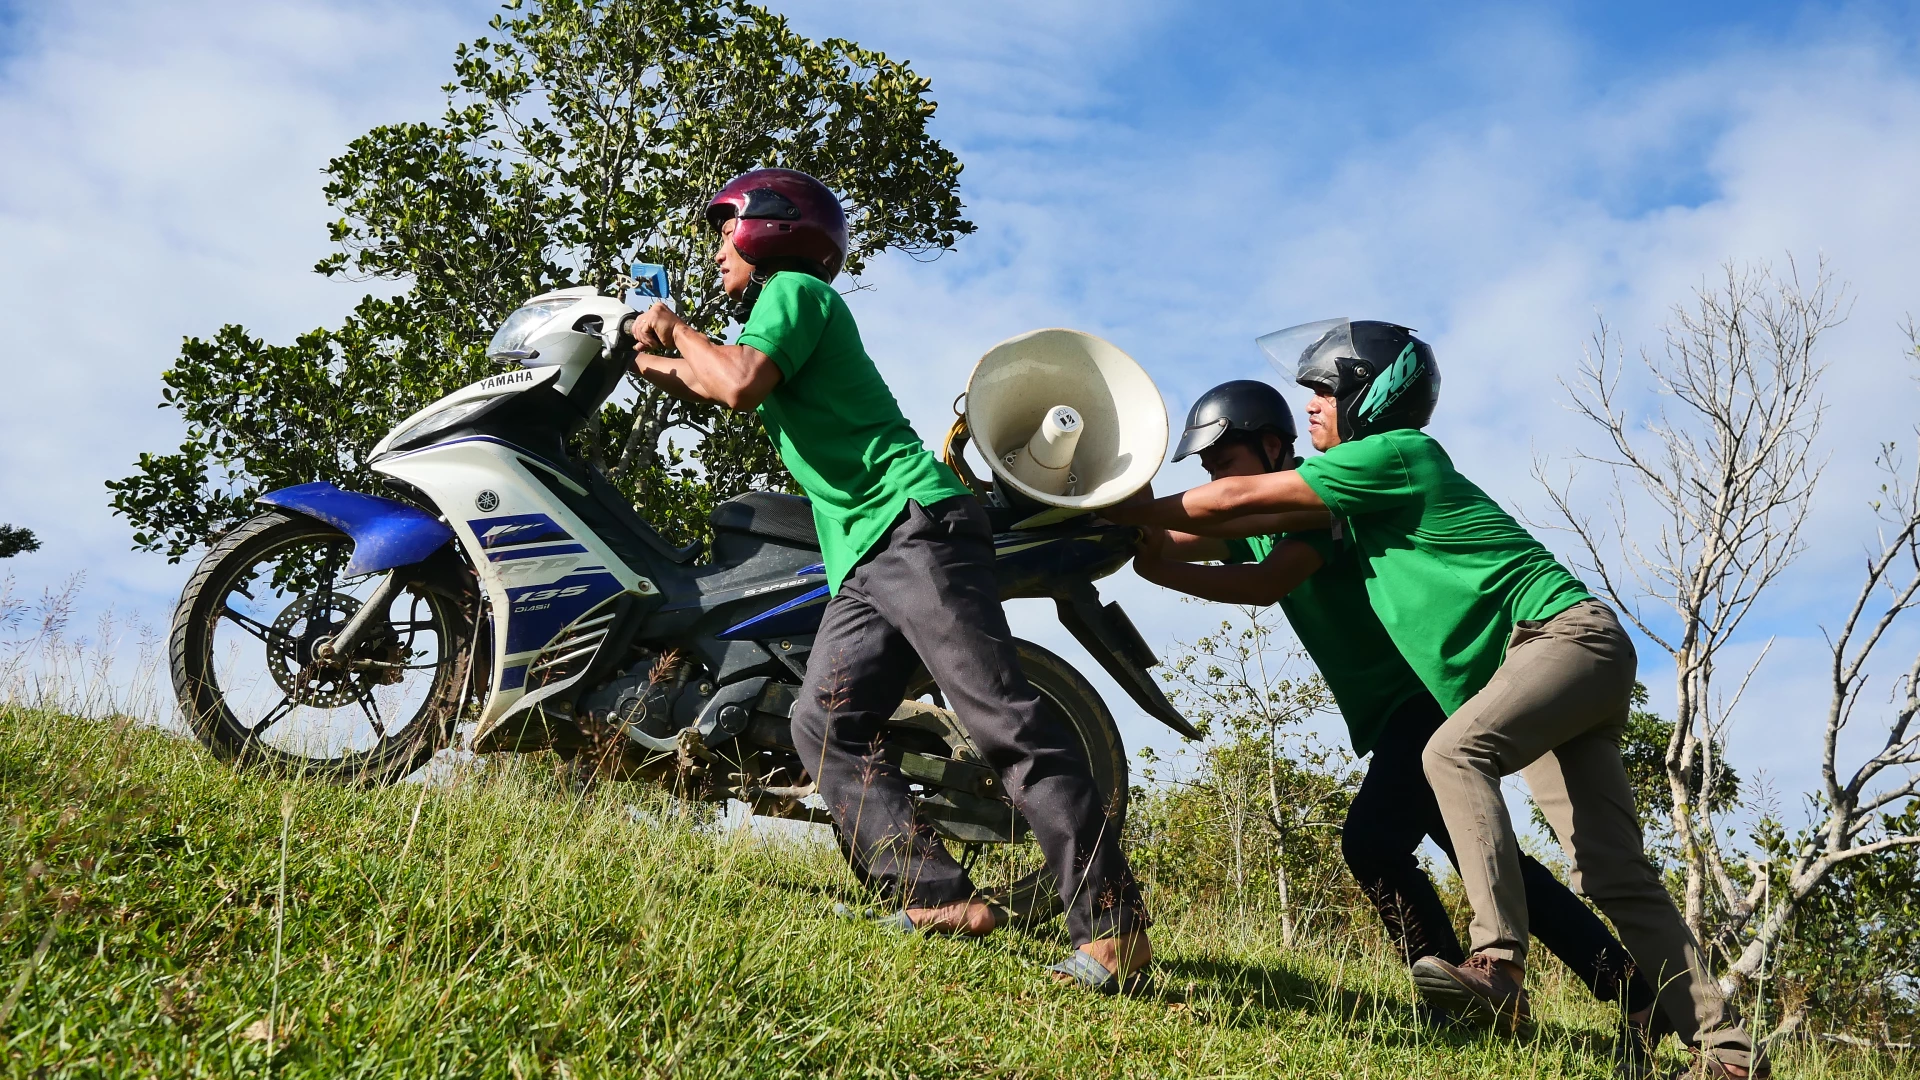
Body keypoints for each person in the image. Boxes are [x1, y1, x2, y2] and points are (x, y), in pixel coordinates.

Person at [1105, 321, 1764, 1076]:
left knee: (1452, 751)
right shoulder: (1349, 487)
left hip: (1560, 636)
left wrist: (1129, 513)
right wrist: (1130, 532)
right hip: (1545, 664)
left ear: (1369, 393)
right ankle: (1725, 1053)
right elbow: (1214, 529)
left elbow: (1236, 504)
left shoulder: (1392, 455)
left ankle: (1498, 971)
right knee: (1610, 874)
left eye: (1322, 389)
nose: (1309, 404)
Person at [625, 167, 1150, 993]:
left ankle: (1113, 927)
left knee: (1001, 720)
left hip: (917, 532)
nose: (717, 248)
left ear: (769, 228)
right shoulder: (772, 317)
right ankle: (937, 895)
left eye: (725, 228)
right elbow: (719, 378)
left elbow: (734, 382)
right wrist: (655, 360)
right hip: (868, 557)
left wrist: (675, 326)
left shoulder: (794, 292)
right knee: (823, 722)